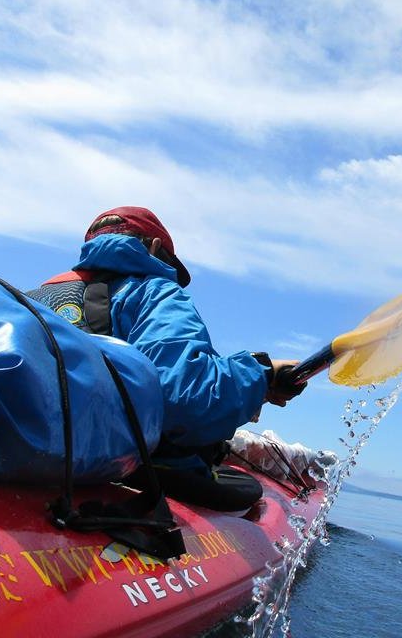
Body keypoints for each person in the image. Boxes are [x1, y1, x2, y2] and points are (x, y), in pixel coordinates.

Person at [28, 206, 305, 509]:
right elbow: (188, 400)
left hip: (31, 448)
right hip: (116, 463)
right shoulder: (154, 291)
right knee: (246, 492)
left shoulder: (36, 296)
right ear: (156, 247)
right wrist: (262, 375)